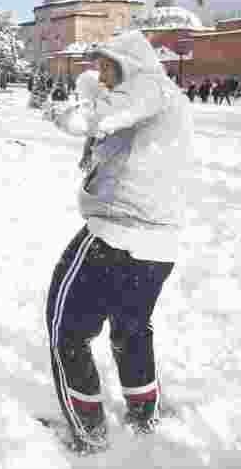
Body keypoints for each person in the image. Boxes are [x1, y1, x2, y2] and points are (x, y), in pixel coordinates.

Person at [45, 30, 194, 454]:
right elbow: (107, 151)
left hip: (117, 235)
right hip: (157, 243)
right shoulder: (162, 104)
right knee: (131, 329)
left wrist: (74, 112)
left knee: (66, 330)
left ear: (129, 61)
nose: (103, 76)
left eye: (107, 66)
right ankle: (144, 413)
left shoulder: (148, 86)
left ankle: (87, 429)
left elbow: (88, 118)